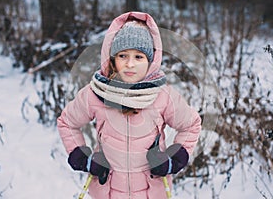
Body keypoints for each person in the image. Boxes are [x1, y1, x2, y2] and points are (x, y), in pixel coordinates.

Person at [57, 11, 201, 199]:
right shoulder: (95, 93)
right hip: (107, 191)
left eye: (138, 57)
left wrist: (174, 160)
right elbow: (67, 122)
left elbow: (191, 124)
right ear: (113, 59)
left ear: (150, 60)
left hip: (152, 193)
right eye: (123, 56)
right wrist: (83, 159)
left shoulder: (163, 96)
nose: (130, 64)